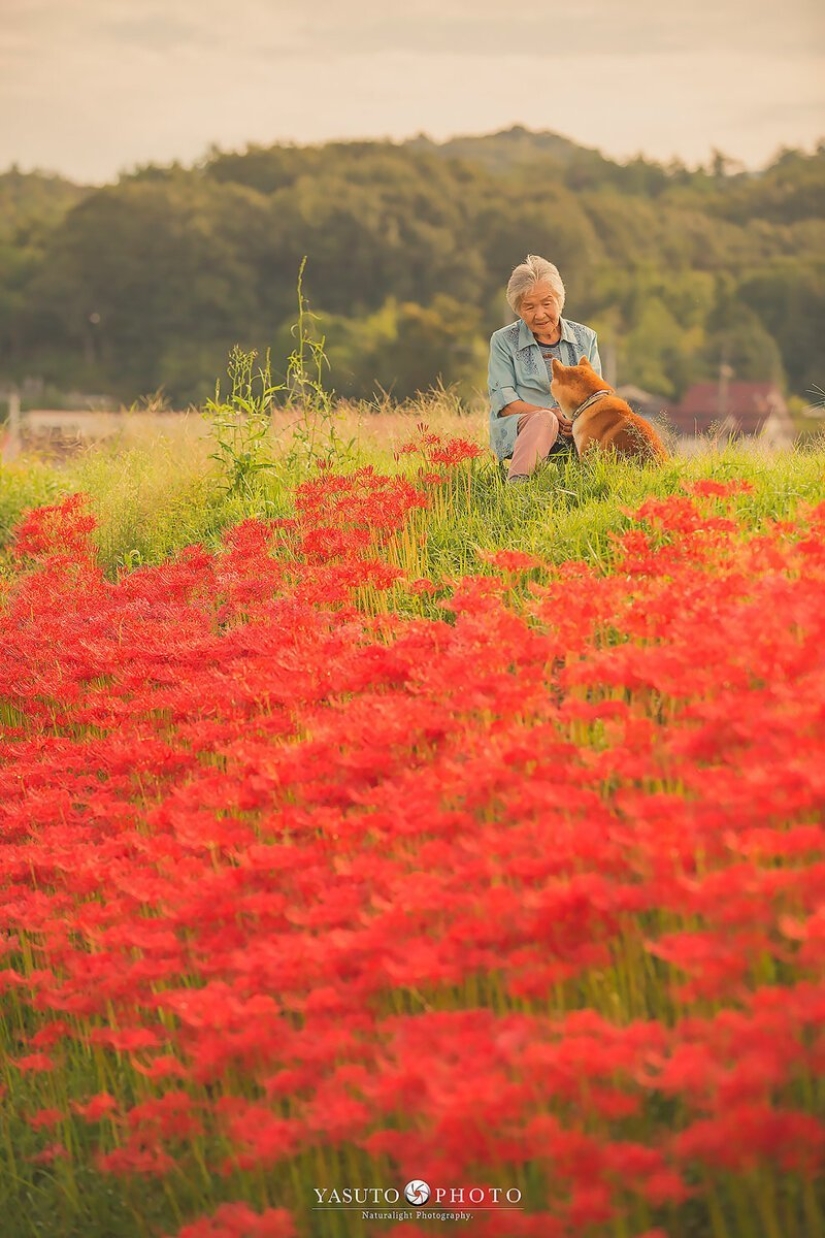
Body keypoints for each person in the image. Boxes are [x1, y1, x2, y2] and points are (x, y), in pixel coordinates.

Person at [488, 255, 602, 483]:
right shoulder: (503, 340)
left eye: (547, 303)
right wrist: (552, 415)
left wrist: (576, 421)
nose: (539, 314)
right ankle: (517, 488)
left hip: (574, 426)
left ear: (560, 300)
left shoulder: (585, 338)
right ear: (518, 309)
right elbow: (506, 403)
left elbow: (597, 397)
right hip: (522, 424)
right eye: (529, 307)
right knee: (544, 420)